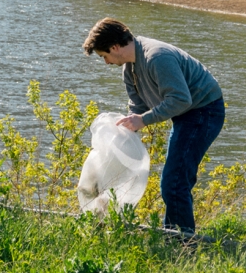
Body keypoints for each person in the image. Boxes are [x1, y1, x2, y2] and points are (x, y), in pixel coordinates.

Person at [83, 17, 224, 234]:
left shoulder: (157, 57)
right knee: (176, 180)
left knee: (174, 183)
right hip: (185, 114)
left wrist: (144, 120)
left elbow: (181, 100)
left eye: (105, 56)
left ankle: (182, 244)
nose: (106, 63)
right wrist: (123, 129)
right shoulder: (129, 69)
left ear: (115, 47)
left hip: (204, 111)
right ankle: (174, 237)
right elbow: (137, 107)